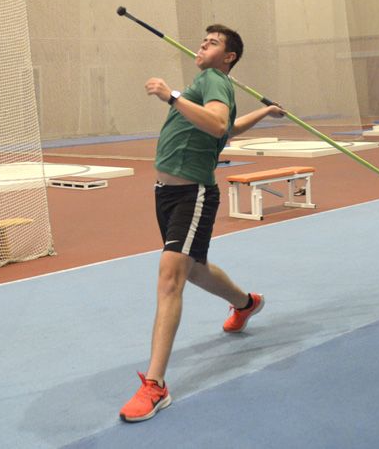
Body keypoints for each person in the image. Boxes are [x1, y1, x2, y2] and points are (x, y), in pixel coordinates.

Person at [119, 24, 285, 423]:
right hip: (168, 192)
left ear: (228, 57)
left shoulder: (213, 80)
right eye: (203, 40)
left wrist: (170, 95)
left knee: (170, 275)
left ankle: (155, 385)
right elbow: (227, 128)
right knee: (192, 270)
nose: (202, 45)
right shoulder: (209, 81)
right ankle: (247, 304)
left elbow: (214, 124)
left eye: (212, 43)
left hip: (192, 194)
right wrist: (264, 111)